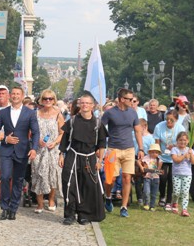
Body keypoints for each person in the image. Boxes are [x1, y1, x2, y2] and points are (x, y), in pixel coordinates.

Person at [0, 86, 40, 221]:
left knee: (18, 180)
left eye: (18, 94)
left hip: (22, 151)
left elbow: (35, 132)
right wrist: (5, 138)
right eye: (13, 93)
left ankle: (13, 208)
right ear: (9, 96)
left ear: (22, 95)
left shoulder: (30, 113)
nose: (15, 96)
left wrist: (34, 148)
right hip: (6, 149)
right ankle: (5, 207)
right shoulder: (3, 112)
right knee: (5, 177)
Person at [58, 93, 107, 225]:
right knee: (69, 184)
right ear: (79, 105)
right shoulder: (73, 121)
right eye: (82, 103)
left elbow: (102, 144)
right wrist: (61, 155)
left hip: (89, 158)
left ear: (92, 106)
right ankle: (69, 214)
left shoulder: (98, 124)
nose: (84, 105)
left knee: (87, 186)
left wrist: (100, 161)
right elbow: (64, 140)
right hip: (73, 156)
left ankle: (84, 214)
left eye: (87, 103)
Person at [102, 88, 144, 218]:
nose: (132, 101)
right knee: (110, 179)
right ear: (121, 99)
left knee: (127, 178)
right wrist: (101, 148)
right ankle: (108, 196)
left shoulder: (133, 113)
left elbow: (137, 131)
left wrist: (141, 149)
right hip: (113, 149)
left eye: (133, 99)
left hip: (129, 149)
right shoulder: (110, 113)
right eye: (130, 99)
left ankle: (124, 206)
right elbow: (100, 130)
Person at [30, 90, 64, 213]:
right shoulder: (36, 114)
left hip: (53, 150)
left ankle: (51, 199)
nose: (47, 101)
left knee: (53, 175)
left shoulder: (58, 114)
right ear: (41, 100)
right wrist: (37, 140)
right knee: (39, 174)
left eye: (50, 99)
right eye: (45, 99)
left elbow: (62, 133)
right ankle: (39, 204)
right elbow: (31, 131)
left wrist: (55, 143)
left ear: (54, 100)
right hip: (39, 149)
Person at [153, 109, 185, 210]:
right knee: (162, 177)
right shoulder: (159, 126)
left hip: (174, 156)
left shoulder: (180, 128)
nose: (169, 122)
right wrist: (158, 153)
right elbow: (157, 142)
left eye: (171, 120)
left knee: (172, 178)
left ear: (176, 120)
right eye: (167, 119)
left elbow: (183, 142)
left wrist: (174, 146)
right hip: (162, 156)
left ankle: (168, 201)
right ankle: (162, 196)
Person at [171, 131, 194, 216]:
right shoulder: (174, 150)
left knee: (185, 192)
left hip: (187, 174)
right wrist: (184, 156)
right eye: (180, 140)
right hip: (176, 174)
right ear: (177, 141)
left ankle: (184, 209)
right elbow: (176, 160)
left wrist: (191, 154)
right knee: (176, 192)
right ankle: (175, 203)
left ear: (188, 141)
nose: (182, 142)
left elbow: (193, 162)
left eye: (184, 140)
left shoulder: (190, 150)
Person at [138, 143, 163, 211]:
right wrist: (141, 167)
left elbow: (158, 170)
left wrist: (158, 171)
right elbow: (138, 161)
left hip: (156, 178)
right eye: (152, 152)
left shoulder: (159, 160)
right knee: (146, 191)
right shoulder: (146, 157)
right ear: (150, 152)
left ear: (158, 153)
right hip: (147, 177)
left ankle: (152, 205)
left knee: (154, 193)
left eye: (156, 152)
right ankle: (146, 204)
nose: (154, 154)